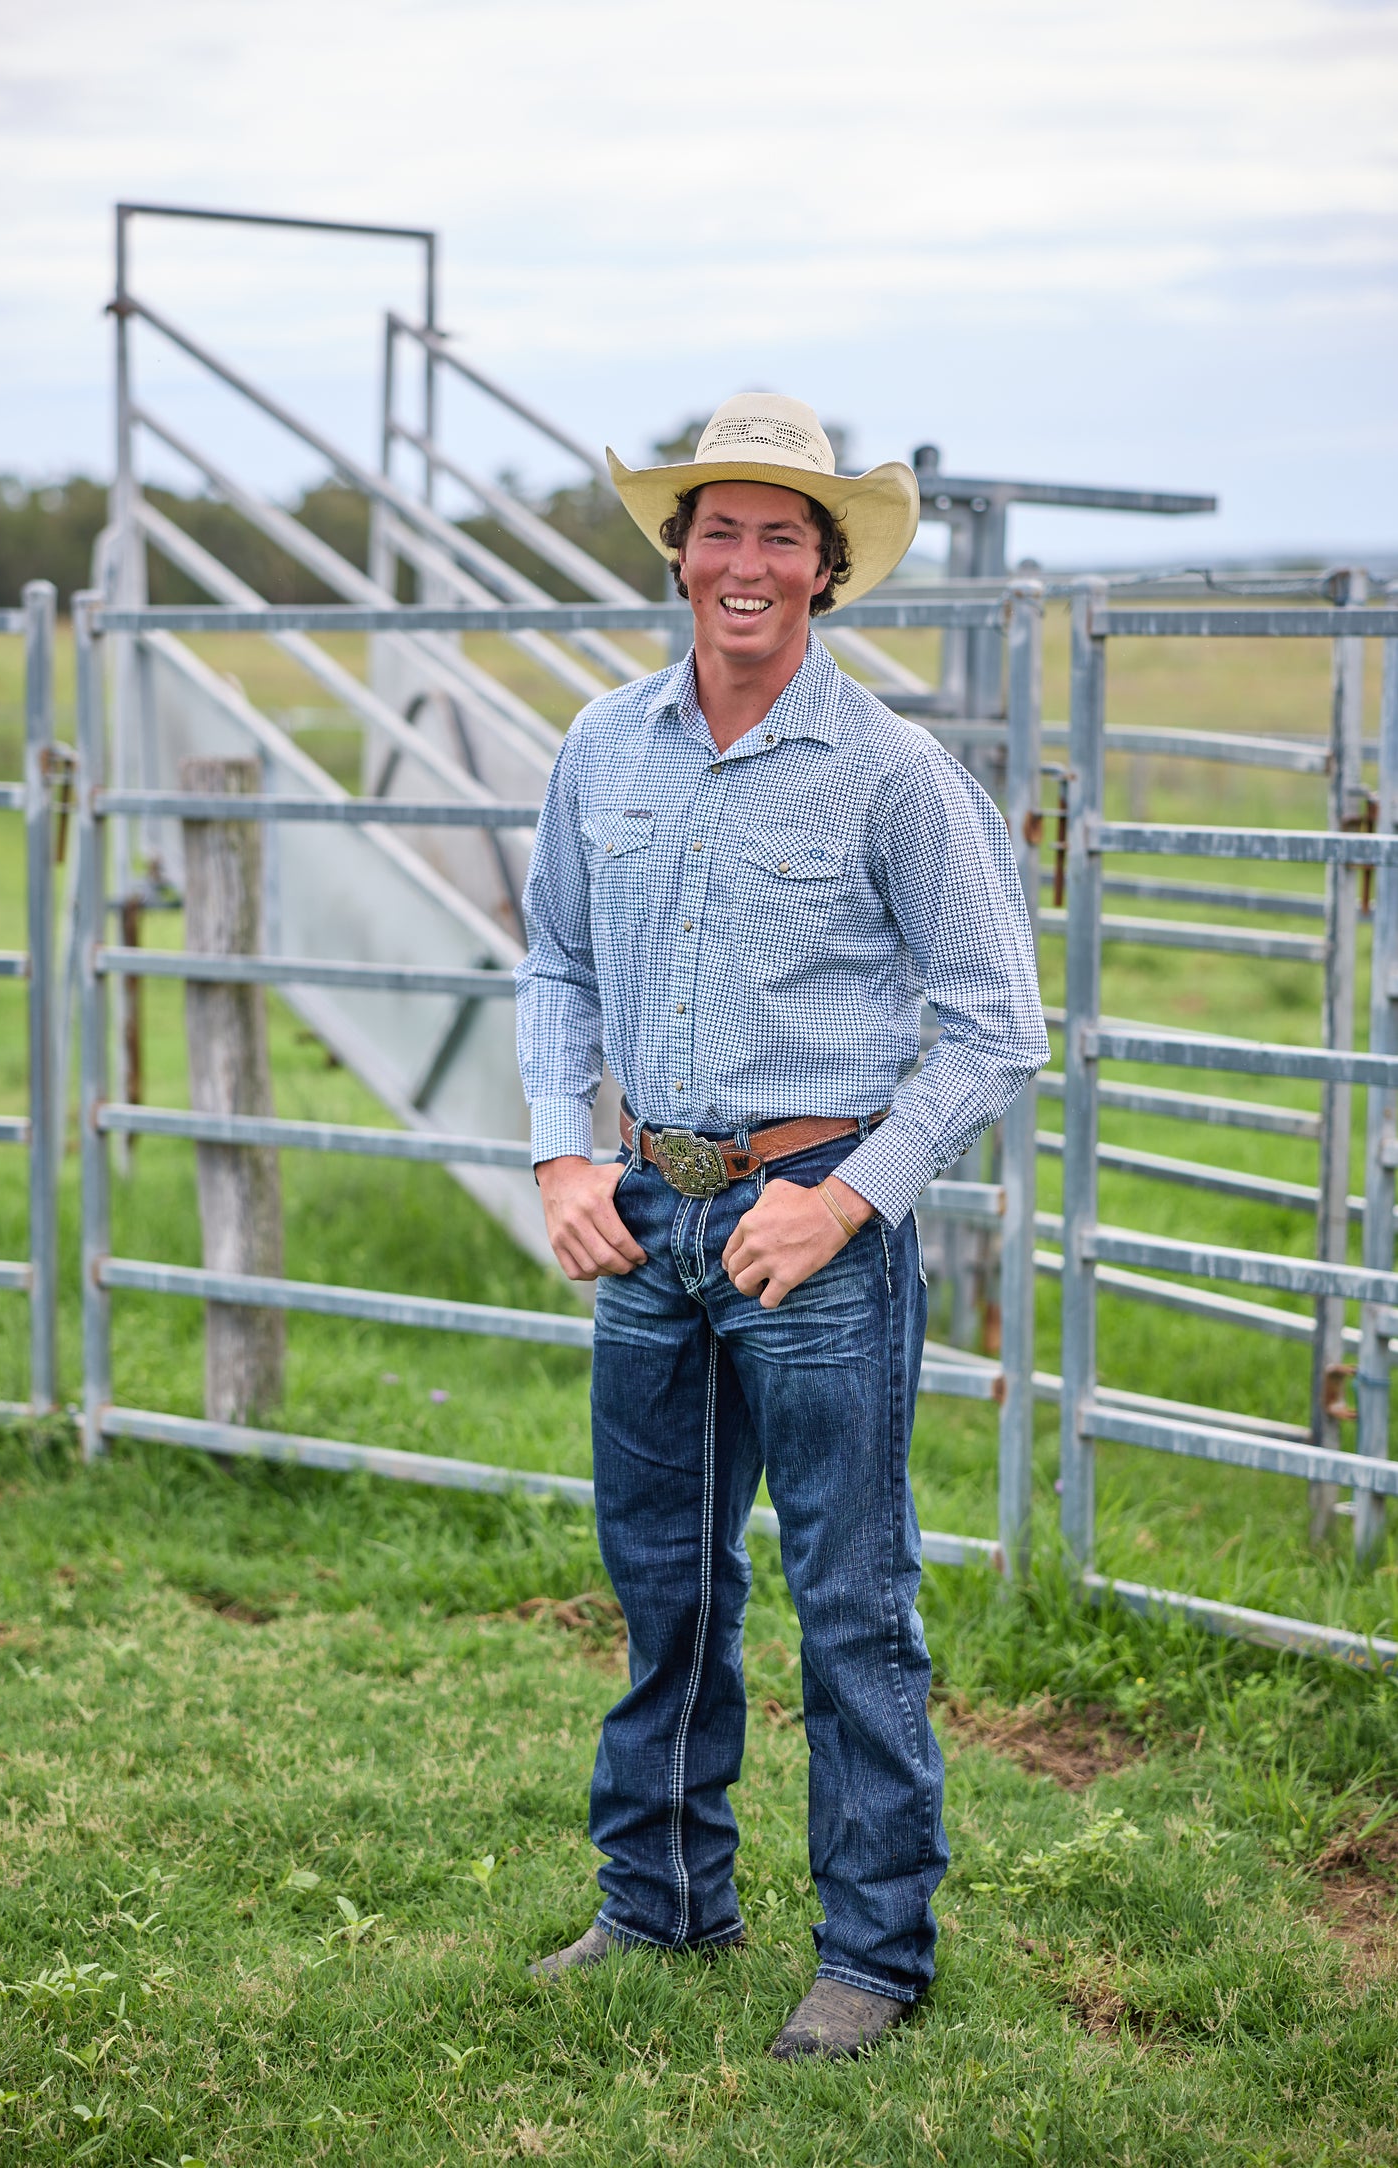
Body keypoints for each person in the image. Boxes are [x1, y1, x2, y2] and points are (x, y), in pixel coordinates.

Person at [514, 393, 1047, 2060]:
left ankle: (872, 1955)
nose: (745, 563)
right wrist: (558, 1160)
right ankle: (662, 1899)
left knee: (847, 1595)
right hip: (647, 1215)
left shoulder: (890, 771)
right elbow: (556, 965)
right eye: (719, 530)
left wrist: (843, 1201)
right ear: (679, 555)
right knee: (664, 1583)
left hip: (812, 1229)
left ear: (825, 573)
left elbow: (994, 1028)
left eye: (781, 536)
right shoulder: (603, 742)